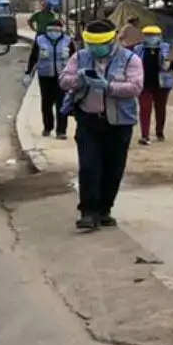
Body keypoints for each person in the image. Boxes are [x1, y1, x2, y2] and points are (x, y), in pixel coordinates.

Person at [59, 19, 144, 231]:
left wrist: (109, 87)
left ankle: (105, 209)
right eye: (91, 44)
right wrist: (78, 79)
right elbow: (63, 79)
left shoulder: (130, 59)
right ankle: (88, 212)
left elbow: (135, 87)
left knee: (113, 168)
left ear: (113, 40)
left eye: (100, 44)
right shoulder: (79, 57)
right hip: (88, 120)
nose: (96, 49)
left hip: (119, 122)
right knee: (89, 166)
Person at [24, 16, 75, 139]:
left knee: (62, 104)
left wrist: (75, 74)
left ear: (61, 30)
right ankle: (47, 127)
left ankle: (61, 131)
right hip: (45, 76)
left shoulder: (68, 41)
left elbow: (74, 58)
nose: (54, 33)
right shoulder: (40, 40)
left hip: (63, 77)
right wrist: (28, 72)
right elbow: (33, 56)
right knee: (46, 103)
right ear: (47, 30)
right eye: (51, 30)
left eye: (56, 30)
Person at [136, 24, 173, 144]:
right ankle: (145, 135)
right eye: (148, 35)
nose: (151, 37)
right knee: (144, 109)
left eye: (153, 35)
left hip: (162, 83)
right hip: (144, 83)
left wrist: (169, 58)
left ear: (160, 36)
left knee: (160, 108)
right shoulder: (138, 49)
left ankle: (159, 132)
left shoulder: (165, 47)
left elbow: (166, 64)